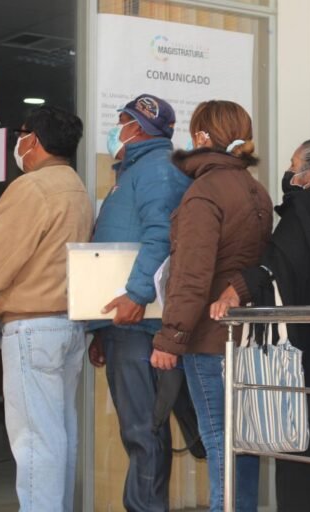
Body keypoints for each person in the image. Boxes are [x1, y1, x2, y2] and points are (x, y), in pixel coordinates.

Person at [210, 138, 310, 512]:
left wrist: (237, 289)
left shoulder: (306, 210)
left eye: (293, 163)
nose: (289, 171)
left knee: (301, 479)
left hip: (306, 370)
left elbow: (279, 267)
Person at [0, 106, 92, 512]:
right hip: (68, 326)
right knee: (60, 435)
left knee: (35, 439)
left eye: (20, 135)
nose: (17, 144)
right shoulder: (75, 187)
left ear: (32, 139)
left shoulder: (32, 188)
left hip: (33, 328)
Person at [149, 100, 273, 512]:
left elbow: (191, 273)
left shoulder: (204, 192)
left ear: (202, 138)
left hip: (208, 339)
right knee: (244, 444)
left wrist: (171, 338)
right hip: (245, 336)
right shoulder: (256, 190)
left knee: (220, 442)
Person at [86, 94, 192, 512]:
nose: (116, 129)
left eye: (120, 122)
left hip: (140, 321)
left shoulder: (157, 171)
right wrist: (100, 329)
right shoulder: (136, 170)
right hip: (123, 324)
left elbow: (160, 237)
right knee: (141, 427)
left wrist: (135, 294)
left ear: (137, 128)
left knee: (142, 429)